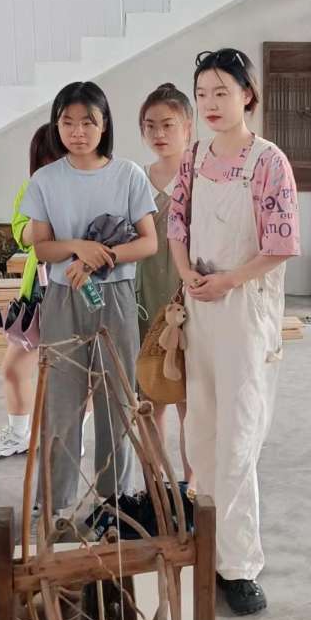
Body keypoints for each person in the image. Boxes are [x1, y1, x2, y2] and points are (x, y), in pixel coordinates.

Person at [168, 48, 300, 616]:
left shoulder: (269, 161)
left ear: (247, 94)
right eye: (202, 94)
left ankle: (239, 565)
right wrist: (187, 276)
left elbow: (282, 244)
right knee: (201, 428)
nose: (210, 104)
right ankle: (207, 542)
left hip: (245, 309)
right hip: (201, 307)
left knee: (239, 434)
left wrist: (227, 282)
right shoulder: (194, 156)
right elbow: (176, 224)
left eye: (222, 92)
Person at [21, 82, 157, 517]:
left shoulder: (129, 175)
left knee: (117, 401)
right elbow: (42, 247)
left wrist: (105, 256)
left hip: (115, 297)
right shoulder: (45, 180)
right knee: (61, 402)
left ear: (104, 125)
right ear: (56, 125)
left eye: (88, 122)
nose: (77, 131)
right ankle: (54, 504)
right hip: (63, 297)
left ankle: (114, 500)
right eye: (68, 122)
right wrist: (79, 247)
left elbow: (149, 241)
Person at [136, 83, 195, 483]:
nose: (159, 133)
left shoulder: (202, 176)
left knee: (190, 399)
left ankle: (192, 486)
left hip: (188, 300)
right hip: (144, 298)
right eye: (150, 125)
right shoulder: (136, 179)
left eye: (168, 124)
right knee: (149, 394)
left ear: (187, 126)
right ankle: (155, 485)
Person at [0, 123, 60, 460]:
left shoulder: (93, 187)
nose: (51, 166)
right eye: (44, 160)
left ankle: (68, 435)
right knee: (13, 367)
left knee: (77, 371)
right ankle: (19, 433)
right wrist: (47, 201)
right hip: (36, 291)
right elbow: (23, 236)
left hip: (77, 287)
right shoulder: (30, 189)